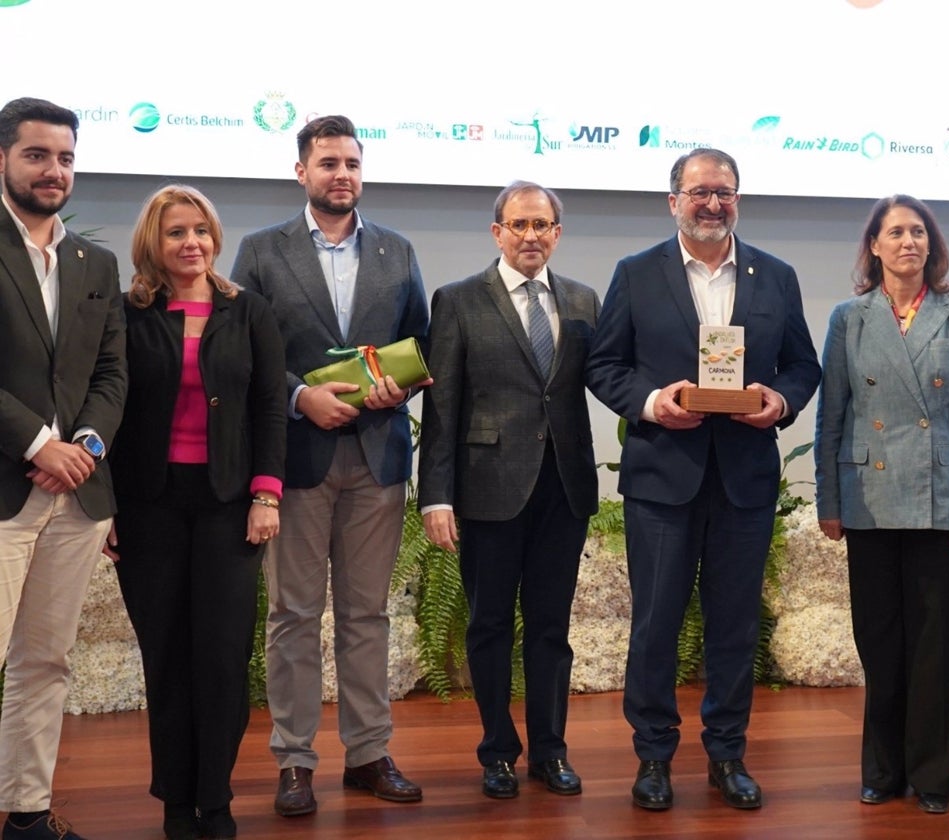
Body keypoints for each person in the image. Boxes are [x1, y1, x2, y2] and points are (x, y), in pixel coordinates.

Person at [586, 148, 821, 811]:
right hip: (663, 479)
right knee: (656, 624)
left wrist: (780, 401)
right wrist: (657, 401)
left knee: (734, 626)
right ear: (673, 201)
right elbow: (605, 365)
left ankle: (727, 755)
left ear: (738, 200)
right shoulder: (636, 274)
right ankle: (654, 758)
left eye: (725, 192)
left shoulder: (776, 276)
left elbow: (803, 366)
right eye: (700, 193)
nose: (713, 203)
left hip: (744, 481)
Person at [230, 115, 430, 817]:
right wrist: (299, 397)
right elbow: (243, 354)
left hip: (378, 460)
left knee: (367, 615)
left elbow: (420, 348)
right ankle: (294, 761)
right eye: (326, 163)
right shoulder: (260, 252)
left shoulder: (398, 252)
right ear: (301, 173)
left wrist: (398, 386)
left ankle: (369, 753)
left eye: (350, 163)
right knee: (291, 615)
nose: (340, 174)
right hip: (295, 461)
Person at [106, 185, 287, 839]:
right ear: (153, 242)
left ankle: (216, 797)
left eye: (202, 231)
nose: (191, 243)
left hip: (230, 508)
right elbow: (107, 409)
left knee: (221, 656)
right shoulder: (128, 313)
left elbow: (270, 406)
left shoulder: (249, 312)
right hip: (147, 506)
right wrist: (105, 507)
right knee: (167, 656)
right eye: (176, 232)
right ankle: (176, 803)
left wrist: (267, 493)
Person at [418, 181, 600, 799]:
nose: (531, 236)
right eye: (519, 224)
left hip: (564, 489)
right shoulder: (459, 300)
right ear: (497, 232)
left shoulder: (582, 301)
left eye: (542, 225)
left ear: (557, 233)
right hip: (488, 490)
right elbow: (441, 408)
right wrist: (435, 496)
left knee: (551, 626)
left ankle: (551, 751)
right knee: (489, 624)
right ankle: (497, 751)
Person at [814, 194, 949, 815]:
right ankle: (882, 770)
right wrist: (828, 500)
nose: (908, 241)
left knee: (937, 645)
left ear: (931, 245)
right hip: (867, 497)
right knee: (879, 640)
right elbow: (831, 415)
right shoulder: (849, 317)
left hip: (938, 500)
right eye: (896, 232)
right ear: (875, 246)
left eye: (918, 231)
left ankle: (934, 775)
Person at [0, 96, 127, 840]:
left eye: (66, 158)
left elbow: (112, 373)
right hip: (6, 488)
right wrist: (35, 444)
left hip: (78, 495)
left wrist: (84, 446)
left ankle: (27, 813)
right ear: (5, 159)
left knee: (45, 663)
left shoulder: (93, 262)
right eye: (38, 155)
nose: (55, 171)